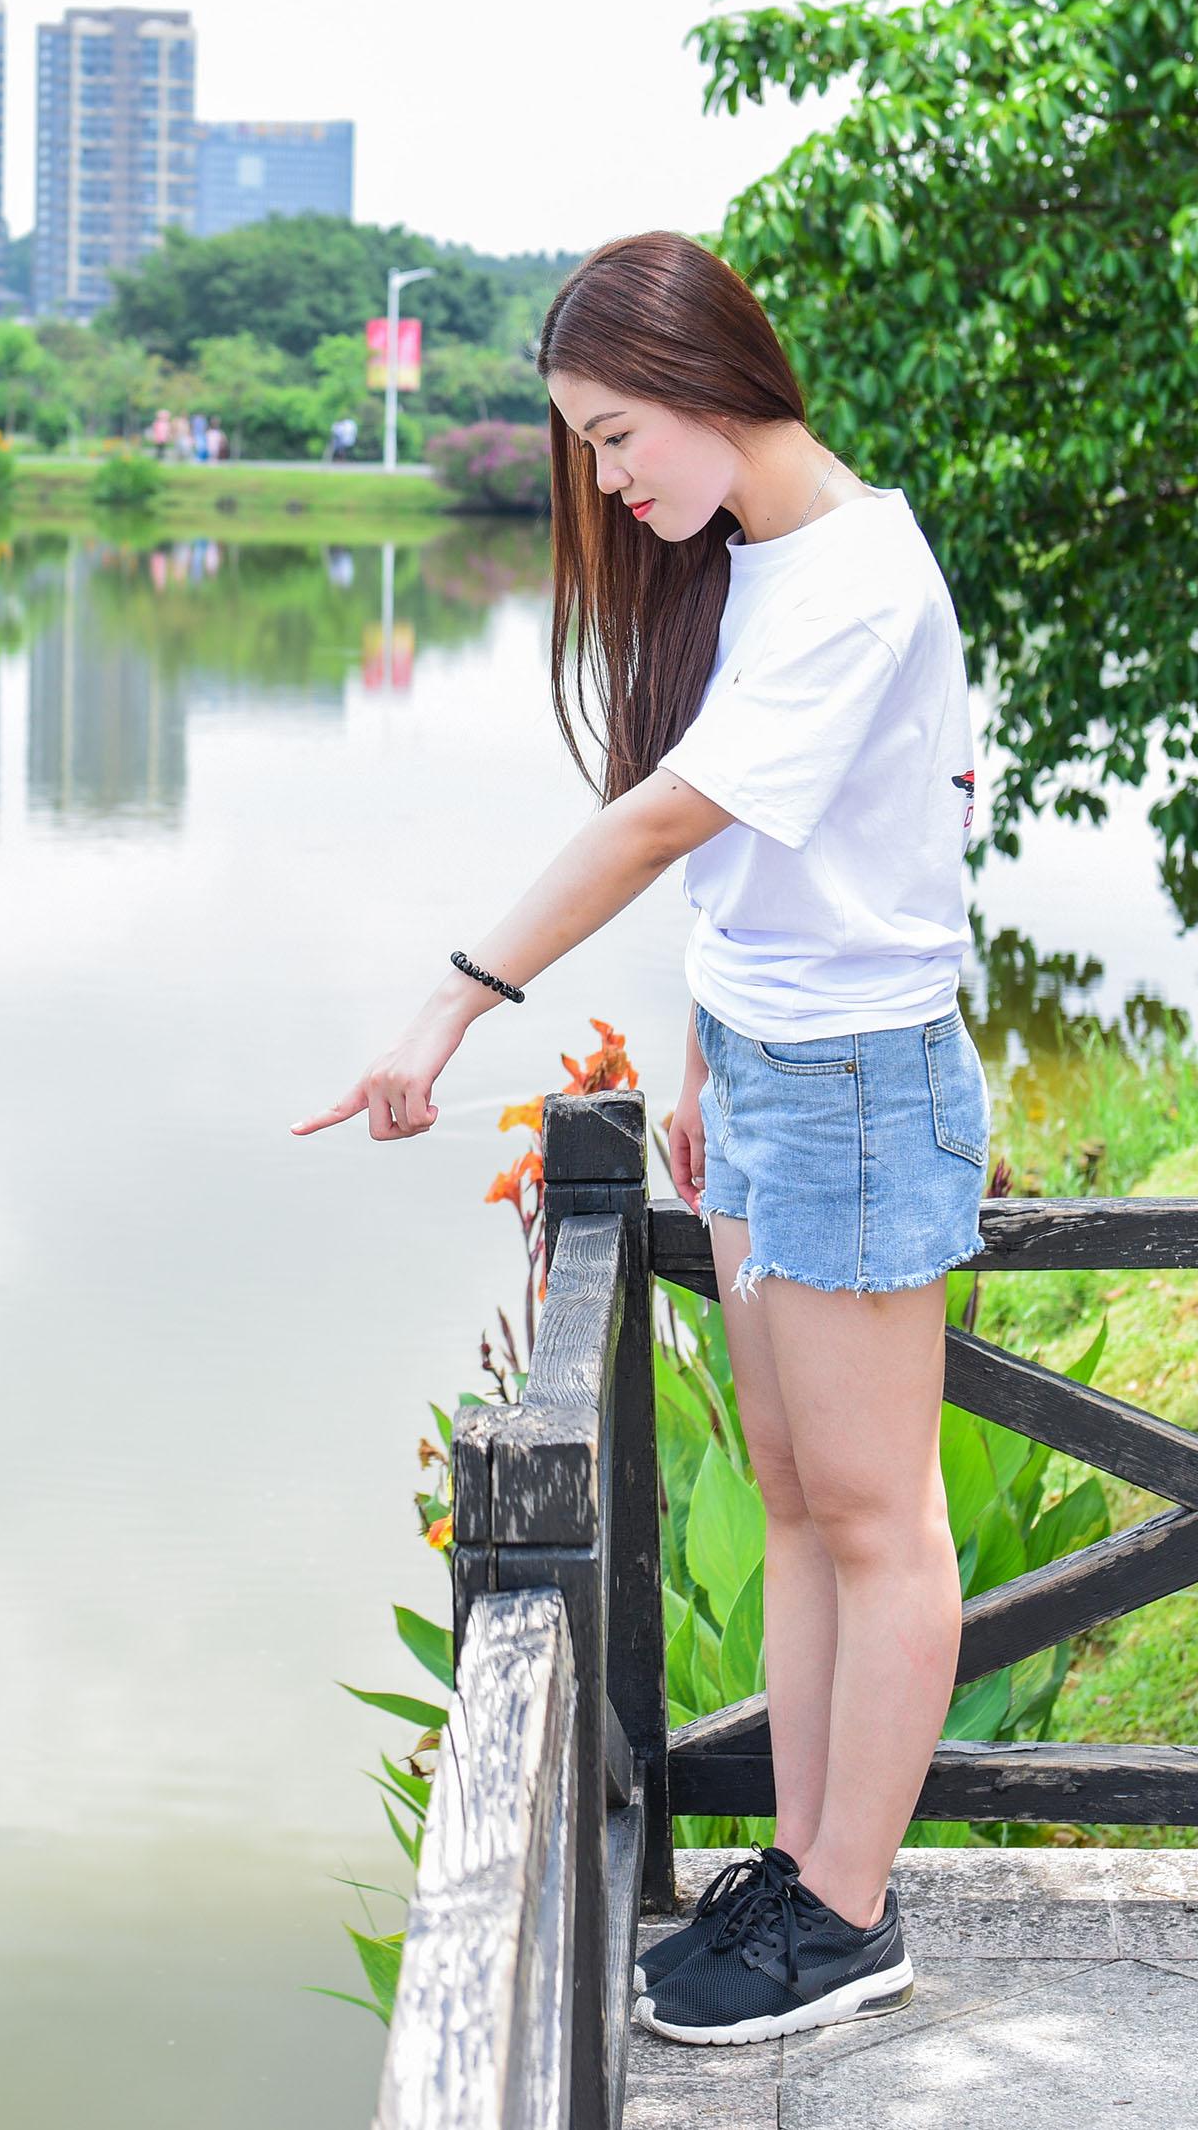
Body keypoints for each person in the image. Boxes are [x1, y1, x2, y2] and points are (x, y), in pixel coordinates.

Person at [294, 230, 981, 2049]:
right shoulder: (765, 558)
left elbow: (666, 821)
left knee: (879, 1515)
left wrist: (457, 995)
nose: (606, 480)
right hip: (774, 1061)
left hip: (853, 1084)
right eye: (586, 448)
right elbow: (784, 859)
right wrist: (703, 1044)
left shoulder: (849, 581)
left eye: (612, 438)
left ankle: (846, 1914)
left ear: (705, 386)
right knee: (797, 1500)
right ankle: (821, 1867)